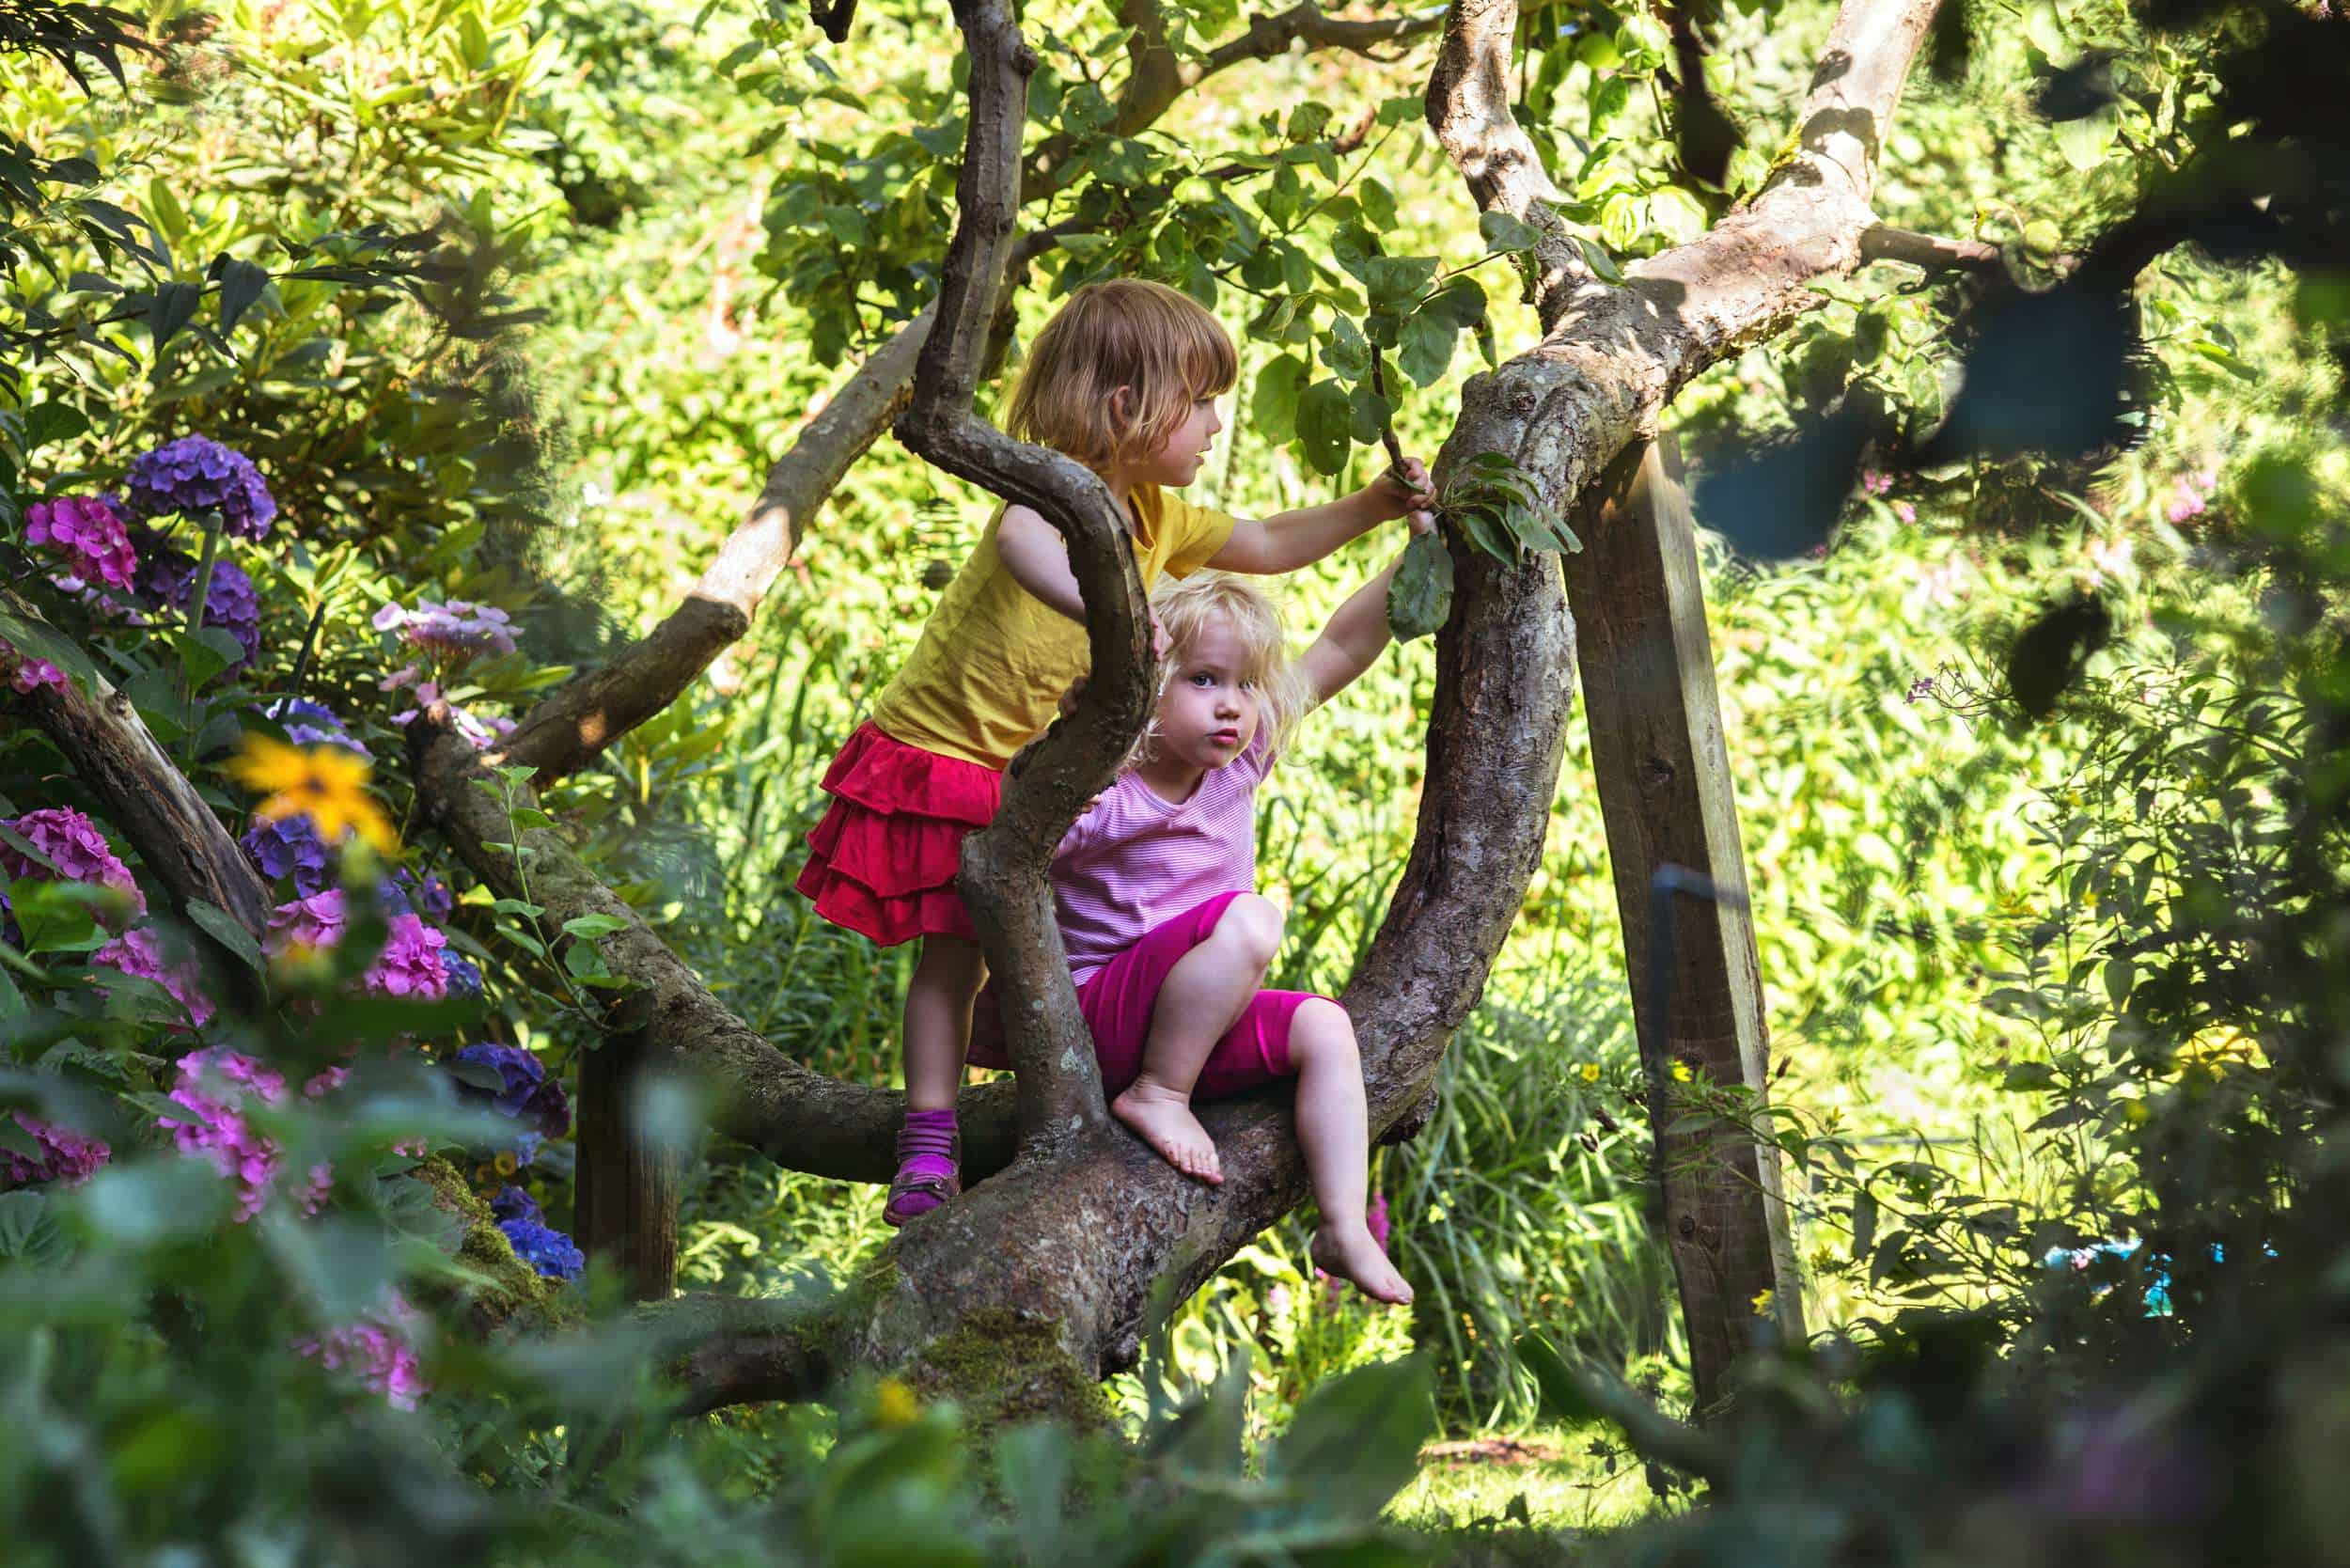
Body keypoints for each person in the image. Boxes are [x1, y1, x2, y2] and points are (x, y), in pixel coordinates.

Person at [793, 277, 1435, 1227]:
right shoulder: (1049, 487)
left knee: (1036, 942)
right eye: (1203, 400)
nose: (1216, 423)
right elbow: (1023, 545)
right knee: (950, 956)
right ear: (1131, 406)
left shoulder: (1160, 517)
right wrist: (1119, 612)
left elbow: (1264, 541)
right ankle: (927, 1140)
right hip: (951, 753)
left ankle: (1084, 1070)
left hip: (1048, 777)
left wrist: (1372, 508)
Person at [973, 561, 1420, 1304]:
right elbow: (1015, 819)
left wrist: (1420, 552)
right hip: (1095, 1023)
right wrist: (1067, 738)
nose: (1233, 709)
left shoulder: (1238, 766)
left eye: (1247, 686)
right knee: (1251, 919)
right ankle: (1157, 1094)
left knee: (1324, 1026)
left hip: (1195, 1023)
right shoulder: (1101, 788)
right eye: (1206, 680)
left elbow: (1340, 646)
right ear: (1142, 686)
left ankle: (1343, 1226)